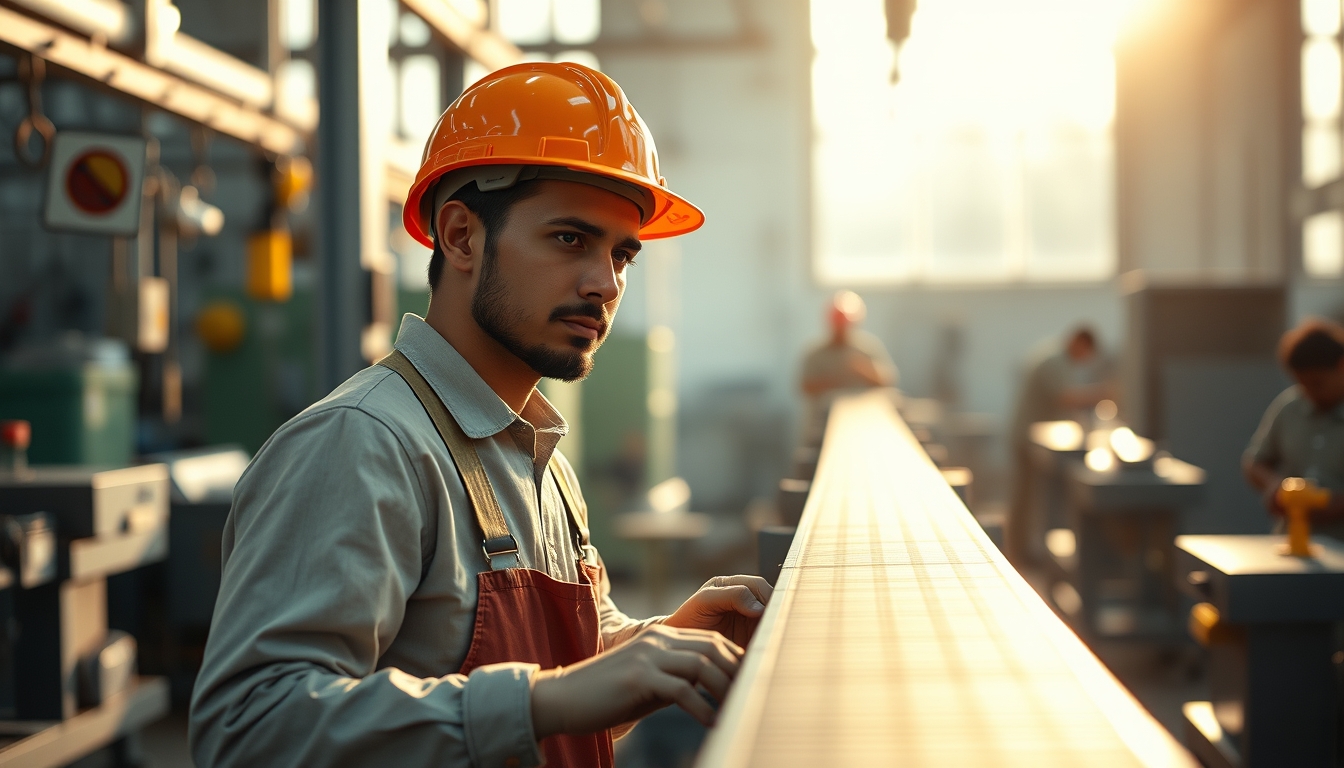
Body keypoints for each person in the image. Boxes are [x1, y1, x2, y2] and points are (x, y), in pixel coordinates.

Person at [189, 62, 772, 768]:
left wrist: (658, 645)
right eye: (570, 239)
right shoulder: (363, 446)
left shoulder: (536, 455)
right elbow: (248, 730)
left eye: (623, 255)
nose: (605, 284)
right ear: (461, 237)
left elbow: (569, 692)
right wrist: (544, 701)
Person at [1005, 326, 1116, 565]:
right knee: (1025, 497)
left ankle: (1025, 551)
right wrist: (1105, 393)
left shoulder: (1058, 360)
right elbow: (1066, 398)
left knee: (1031, 497)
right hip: (1026, 437)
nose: (1085, 360)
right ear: (1079, 343)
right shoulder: (1054, 362)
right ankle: (1016, 555)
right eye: (1086, 354)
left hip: (1031, 435)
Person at [1243, 317, 1344, 541]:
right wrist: (1276, 487)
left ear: (1342, 365)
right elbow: (1254, 462)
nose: (1310, 394)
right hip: (1291, 545)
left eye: (1318, 383)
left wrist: (1338, 504)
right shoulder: (1289, 407)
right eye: (1302, 384)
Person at [798, 290, 897, 444]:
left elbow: (888, 381)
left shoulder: (868, 349)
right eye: (837, 324)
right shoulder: (815, 354)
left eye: (844, 324)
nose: (841, 329)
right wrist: (835, 381)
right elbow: (805, 387)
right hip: (824, 428)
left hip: (864, 425)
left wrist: (863, 371)